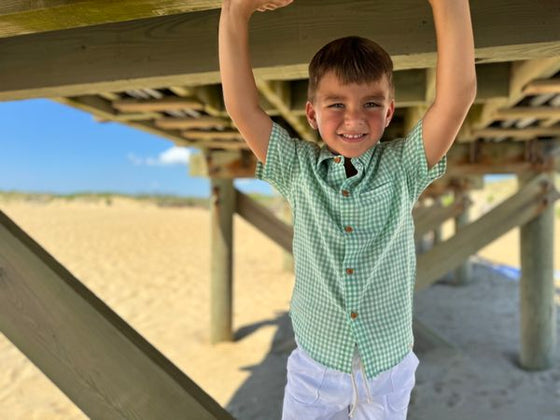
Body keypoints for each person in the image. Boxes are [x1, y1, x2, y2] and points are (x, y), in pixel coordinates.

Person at [218, 0, 476, 418]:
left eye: (371, 104)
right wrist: (236, 13)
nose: (354, 118)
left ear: (390, 111)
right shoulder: (297, 169)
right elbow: (242, 108)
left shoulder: (404, 167)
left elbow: (458, 96)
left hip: (387, 370)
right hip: (316, 368)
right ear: (312, 114)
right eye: (336, 104)